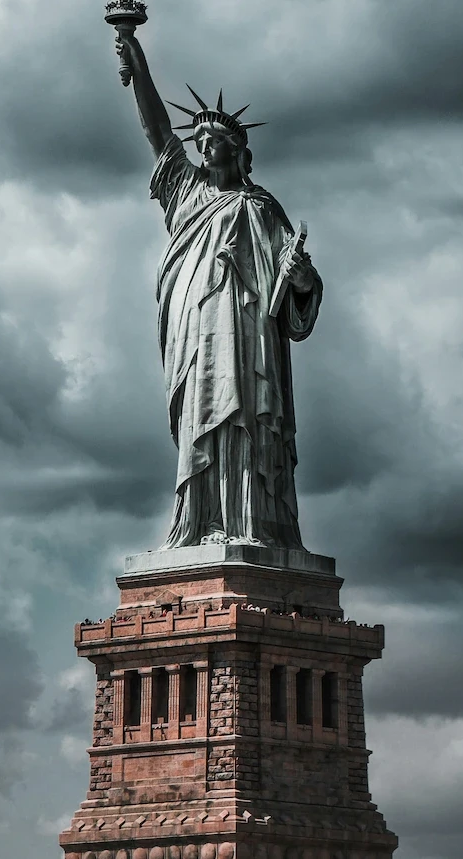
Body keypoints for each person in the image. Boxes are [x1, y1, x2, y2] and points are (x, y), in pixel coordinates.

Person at [116, 30, 322, 550]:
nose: (205, 148)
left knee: (246, 419)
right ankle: (199, 521)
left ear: (239, 151)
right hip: (195, 331)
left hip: (249, 336)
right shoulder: (186, 192)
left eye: (216, 142)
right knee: (201, 417)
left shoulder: (261, 208)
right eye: (200, 142)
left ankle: (250, 522)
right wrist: (132, 53)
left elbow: (299, 286)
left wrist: (299, 278)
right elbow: (156, 129)